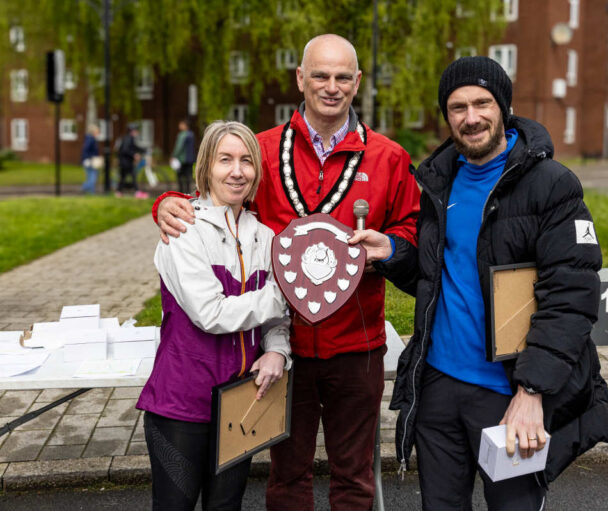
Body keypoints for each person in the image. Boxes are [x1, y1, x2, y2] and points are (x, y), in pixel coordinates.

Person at [153, 34, 420, 510]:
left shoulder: (388, 158)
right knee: (286, 476)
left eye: (342, 77)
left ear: (357, 83)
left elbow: (413, 234)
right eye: (320, 75)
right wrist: (166, 204)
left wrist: (394, 247)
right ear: (301, 78)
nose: (331, 86)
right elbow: (216, 200)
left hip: (355, 346)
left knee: (355, 478)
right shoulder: (259, 151)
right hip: (281, 349)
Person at [349, 56, 608, 510]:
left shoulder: (552, 185)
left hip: (509, 393)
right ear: (446, 115)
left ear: (503, 106)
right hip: (438, 388)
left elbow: (571, 297)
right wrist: (392, 252)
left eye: (482, 103)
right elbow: (439, 276)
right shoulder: (439, 181)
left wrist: (532, 392)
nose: (470, 118)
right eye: (457, 107)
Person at [136, 120, 292, 511]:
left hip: (240, 399)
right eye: (225, 159)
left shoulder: (265, 236)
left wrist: (277, 351)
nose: (237, 171)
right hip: (180, 404)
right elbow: (211, 314)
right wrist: (289, 291)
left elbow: (274, 321)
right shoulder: (184, 228)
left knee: (226, 507)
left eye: (246, 161)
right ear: (206, 166)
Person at [117, 123, 147, 198]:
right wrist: (134, 154)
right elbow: (125, 150)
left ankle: (119, 192)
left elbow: (134, 147)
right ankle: (137, 192)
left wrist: (143, 150)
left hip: (125, 161)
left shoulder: (129, 138)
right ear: (133, 131)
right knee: (133, 175)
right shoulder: (129, 138)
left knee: (123, 177)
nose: (138, 132)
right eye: (136, 131)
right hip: (126, 162)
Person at [172, 119, 196, 194]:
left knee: (180, 176)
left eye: (181, 124)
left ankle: (181, 192)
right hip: (190, 159)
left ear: (185, 126)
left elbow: (179, 147)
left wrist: (174, 155)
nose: (179, 126)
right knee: (188, 176)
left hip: (182, 159)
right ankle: (188, 192)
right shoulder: (191, 134)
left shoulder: (182, 135)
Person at [80, 124, 101, 194]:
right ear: (93, 132)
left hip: (89, 160)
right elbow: (86, 150)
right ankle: (84, 187)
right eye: (97, 131)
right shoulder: (90, 139)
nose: (98, 133)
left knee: (91, 177)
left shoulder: (90, 139)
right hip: (90, 161)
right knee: (93, 178)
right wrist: (91, 157)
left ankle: (91, 193)